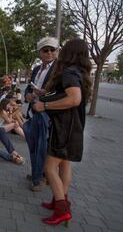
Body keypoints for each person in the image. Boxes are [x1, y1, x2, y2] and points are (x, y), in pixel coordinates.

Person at [33, 38, 92, 226]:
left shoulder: (69, 72)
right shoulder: (79, 73)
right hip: (73, 127)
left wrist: (45, 105)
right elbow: (68, 96)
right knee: (64, 165)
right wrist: (47, 96)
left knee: (49, 168)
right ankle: (60, 200)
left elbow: (74, 99)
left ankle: (62, 209)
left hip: (64, 128)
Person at [23, 37, 59, 192]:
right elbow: (28, 88)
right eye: (46, 50)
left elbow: (62, 93)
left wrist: (45, 94)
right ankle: (36, 172)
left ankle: (40, 178)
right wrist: (27, 96)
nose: (49, 53)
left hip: (46, 114)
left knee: (41, 148)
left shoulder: (59, 69)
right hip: (33, 112)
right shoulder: (37, 69)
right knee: (33, 145)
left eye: (52, 49)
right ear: (40, 53)